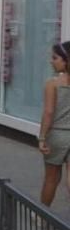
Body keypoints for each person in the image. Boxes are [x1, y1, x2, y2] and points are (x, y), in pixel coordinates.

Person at [38, 41, 70, 207]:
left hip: (57, 136)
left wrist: (42, 138)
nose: (51, 61)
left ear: (66, 60)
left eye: (55, 58)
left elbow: (49, 112)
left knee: (51, 178)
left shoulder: (52, 84)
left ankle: (42, 215)